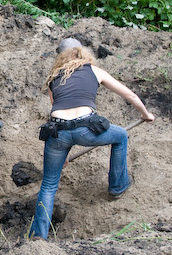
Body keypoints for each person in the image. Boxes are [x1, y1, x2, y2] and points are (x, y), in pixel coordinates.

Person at [28, 38, 155, 240]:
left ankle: (38, 236)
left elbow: (60, 112)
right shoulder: (94, 71)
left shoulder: (54, 78)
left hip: (57, 133)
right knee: (120, 135)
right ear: (82, 52)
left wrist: (62, 153)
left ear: (60, 56)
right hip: (86, 128)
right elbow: (129, 96)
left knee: (49, 184)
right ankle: (117, 187)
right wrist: (145, 114)